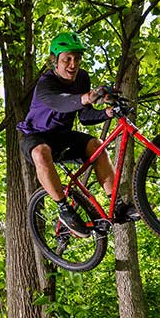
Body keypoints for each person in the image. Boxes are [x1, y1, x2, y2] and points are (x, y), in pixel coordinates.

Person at [17, 31, 138, 238]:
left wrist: (107, 112)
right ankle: (64, 209)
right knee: (41, 152)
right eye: (67, 59)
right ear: (55, 61)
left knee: (96, 145)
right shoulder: (45, 84)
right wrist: (88, 97)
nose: (73, 64)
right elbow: (61, 102)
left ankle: (117, 206)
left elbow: (84, 116)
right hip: (36, 137)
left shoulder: (82, 78)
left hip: (62, 136)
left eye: (77, 59)